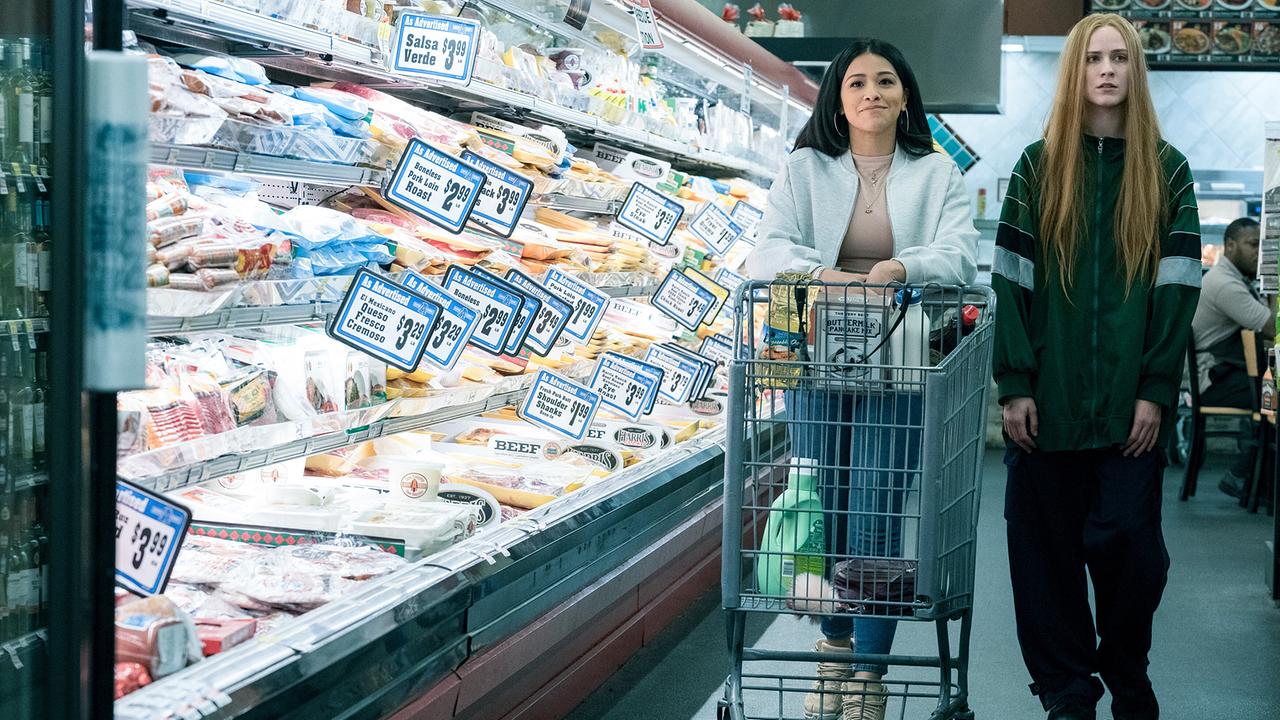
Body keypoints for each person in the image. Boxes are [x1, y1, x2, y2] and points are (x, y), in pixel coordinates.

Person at [747, 38, 978, 720]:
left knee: (877, 510)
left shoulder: (938, 174)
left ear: (906, 95)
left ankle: (870, 677)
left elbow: (960, 252)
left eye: (884, 81)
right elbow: (769, 248)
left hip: (902, 369)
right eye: (856, 83)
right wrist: (823, 273)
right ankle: (833, 655)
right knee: (823, 509)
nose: (871, 92)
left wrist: (902, 268)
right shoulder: (804, 169)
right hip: (816, 364)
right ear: (837, 99)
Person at [992, 14, 1200, 720]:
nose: (1107, 70)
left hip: (1128, 416)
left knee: (1135, 557)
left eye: (1119, 58)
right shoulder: (1037, 166)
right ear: (1074, 72)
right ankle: (1067, 695)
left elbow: (1177, 289)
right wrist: (1014, 382)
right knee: (1044, 566)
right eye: (1093, 59)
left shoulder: (1167, 171)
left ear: (1135, 72)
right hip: (1045, 409)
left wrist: (1154, 390)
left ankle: (1126, 668)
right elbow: (1010, 283)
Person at [1191, 217, 1274, 497]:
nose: (1258, 252)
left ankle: (1255, 476)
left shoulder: (1231, 278)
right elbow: (1271, 328)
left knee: (1271, 395)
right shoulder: (1225, 284)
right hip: (1213, 382)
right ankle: (1242, 474)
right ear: (1230, 245)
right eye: (1252, 244)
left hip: (1224, 375)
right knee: (1274, 398)